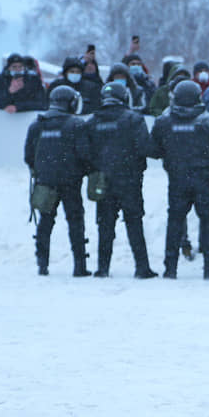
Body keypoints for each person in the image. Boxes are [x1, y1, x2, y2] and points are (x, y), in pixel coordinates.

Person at [148, 80, 209, 279]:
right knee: (208, 222)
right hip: (205, 179)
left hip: (177, 179)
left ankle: (170, 268)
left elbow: (153, 150)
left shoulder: (164, 122)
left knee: (175, 222)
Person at [84, 82, 157, 279]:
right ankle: (142, 268)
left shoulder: (92, 121)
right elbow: (145, 147)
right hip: (130, 181)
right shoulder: (134, 119)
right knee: (134, 223)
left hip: (102, 181)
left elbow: (85, 152)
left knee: (105, 225)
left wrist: (97, 168)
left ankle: (102, 268)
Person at [24, 86, 91, 276]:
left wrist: (42, 172)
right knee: (75, 222)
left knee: (45, 221)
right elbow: (85, 154)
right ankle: (80, 266)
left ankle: (42, 264)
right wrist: (81, 171)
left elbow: (29, 156)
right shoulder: (76, 124)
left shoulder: (37, 124)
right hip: (71, 182)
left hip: (45, 182)